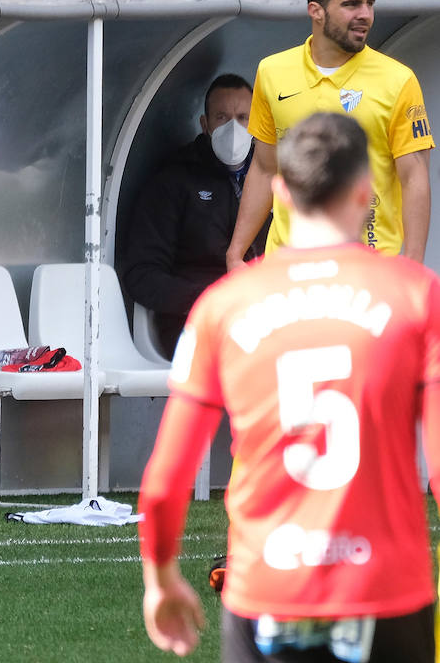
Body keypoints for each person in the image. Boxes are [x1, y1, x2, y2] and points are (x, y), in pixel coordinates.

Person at [139, 112, 440, 661]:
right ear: (366, 192)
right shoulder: (417, 296)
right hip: (386, 589)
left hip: (267, 589)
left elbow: (165, 480)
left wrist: (159, 580)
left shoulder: (224, 306)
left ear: (279, 191)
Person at [226, 0, 432, 272]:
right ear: (316, 11)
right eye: (351, 5)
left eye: (369, 3)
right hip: (288, 265)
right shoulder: (271, 71)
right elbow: (265, 168)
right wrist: (236, 253)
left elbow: (414, 176)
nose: (365, 15)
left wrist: (414, 266)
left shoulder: (398, 80)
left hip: (369, 267)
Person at [120, 74, 266, 358]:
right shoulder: (174, 181)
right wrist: (208, 296)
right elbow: (141, 275)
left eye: (243, 117)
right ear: (205, 124)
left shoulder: (272, 178)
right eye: (222, 117)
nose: (234, 128)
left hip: (263, 314)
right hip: (192, 322)